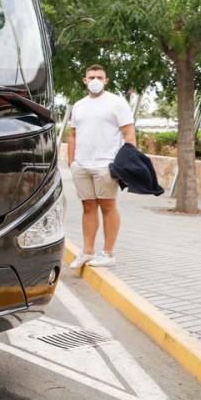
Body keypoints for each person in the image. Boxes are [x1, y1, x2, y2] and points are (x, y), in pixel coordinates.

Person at [67, 64, 136, 269]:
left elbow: (129, 134)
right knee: (88, 207)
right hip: (82, 165)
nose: (95, 80)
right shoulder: (79, 105)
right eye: (91, 77)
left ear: (106, 81)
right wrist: (71, 162)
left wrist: (126, 163)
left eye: (99, 77)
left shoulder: (116, 103)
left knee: (107, 206)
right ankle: (87, 251)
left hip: (106, 165)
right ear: (85, 80)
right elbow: (72, 134)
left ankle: (108, 253)